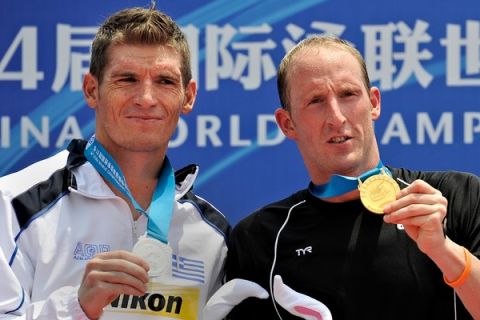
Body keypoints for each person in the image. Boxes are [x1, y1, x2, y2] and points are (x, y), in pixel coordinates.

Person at [226, 34, 480, 319]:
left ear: (374, 103)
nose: (336, 116)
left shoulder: (455, 197)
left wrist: (443, 250)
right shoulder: (260, 238)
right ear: (288, 124)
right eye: (316, 101)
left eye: (348, 94)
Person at [0, 4, 229, 320]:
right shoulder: (13, 205)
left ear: (187, 96)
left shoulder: (213, 236)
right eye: (127, 79)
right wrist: (77, 307)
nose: (146, 98)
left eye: (164, 81)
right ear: (92, 90)